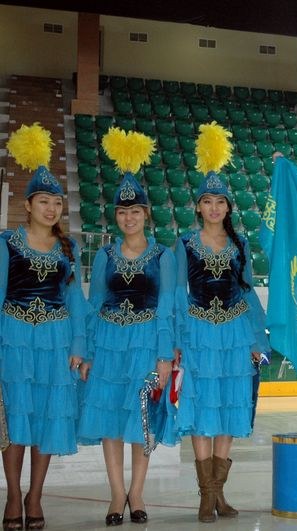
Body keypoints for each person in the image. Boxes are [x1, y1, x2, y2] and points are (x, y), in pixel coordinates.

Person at [77, 127, 175, 526]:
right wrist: (85, 350)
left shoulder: (163, 255)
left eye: (135, 211)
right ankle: (116, 494)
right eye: (122, 211)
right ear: (115, 215)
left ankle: (137, 492)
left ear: (146, 214)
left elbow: (168, 306)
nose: (129, 217)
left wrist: (165, 354)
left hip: (147, 342)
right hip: (108, 343)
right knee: (112, 420)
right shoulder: (103, 255)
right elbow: (93, 303)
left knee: (141, 418)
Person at [174, 123, 268, 522]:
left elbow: (246, 293)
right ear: (198, 206)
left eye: (220, 202)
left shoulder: (239, 245)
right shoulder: (183, 243)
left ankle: (217, 495)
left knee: (229, 407)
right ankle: (205, 495)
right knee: (200, 409)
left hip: (233, 333)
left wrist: (256, 339)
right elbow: (177, 294)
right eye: (207, 201)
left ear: (229, 207)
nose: (214, 207)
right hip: (196, 332)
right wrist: (176, 340)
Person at [1, 124, 86, 530]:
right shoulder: (6, 242)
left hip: (55, 342)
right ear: (29, 204)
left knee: (47, 420)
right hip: (14, 340)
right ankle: (13, 495)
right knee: (17, 420)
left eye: (57, 202)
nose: (52, 209)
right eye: (44, 201)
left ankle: (36, 496)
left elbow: (77, 303)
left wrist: (79, 346)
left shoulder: (69, 249)